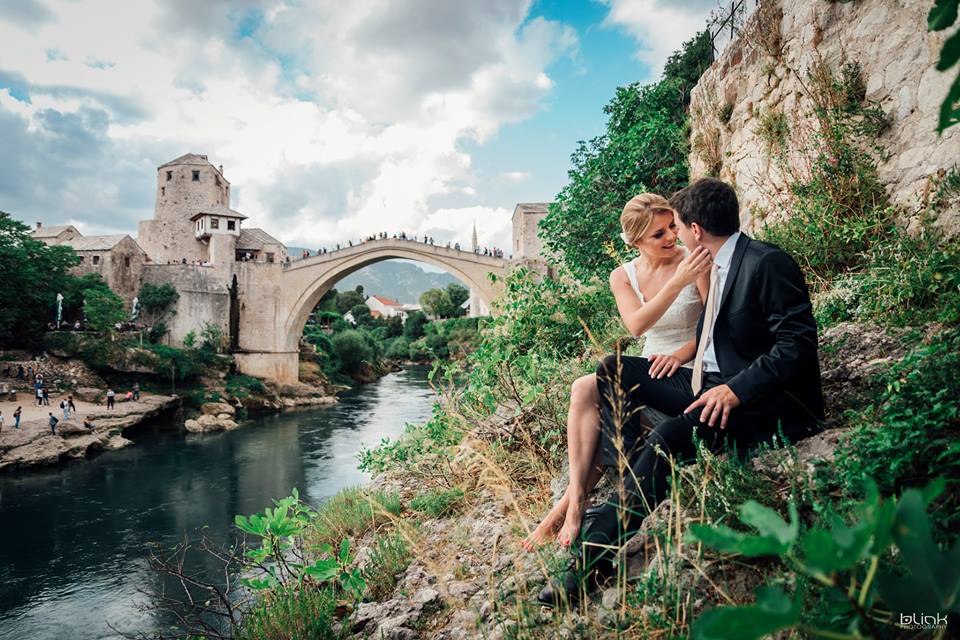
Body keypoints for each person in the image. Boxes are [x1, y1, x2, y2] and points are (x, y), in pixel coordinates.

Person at [538, 178, 825, 607]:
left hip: (758, 400)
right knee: (612, 368)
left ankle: (585, 566)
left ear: (693, 228)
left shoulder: (766, 263)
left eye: (677, 228)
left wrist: (735, 389)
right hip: (702, 381)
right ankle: (621, 477)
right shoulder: (716, 260)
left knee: (667, 440)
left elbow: (797, 345)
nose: (674, 238)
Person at [522, 193, 711, 551]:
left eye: (672, 226)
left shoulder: (695, 261)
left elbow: (709, 327)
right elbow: (637, 325)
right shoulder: (623, 276)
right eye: (659, 234)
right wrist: (675, 282)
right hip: (647, 367)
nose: (672, 236)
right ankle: (576, 503)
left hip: (686, 367)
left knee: (600, 391)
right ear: (636, 241)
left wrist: (680, 353)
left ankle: (561, 512)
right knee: (583, 389)